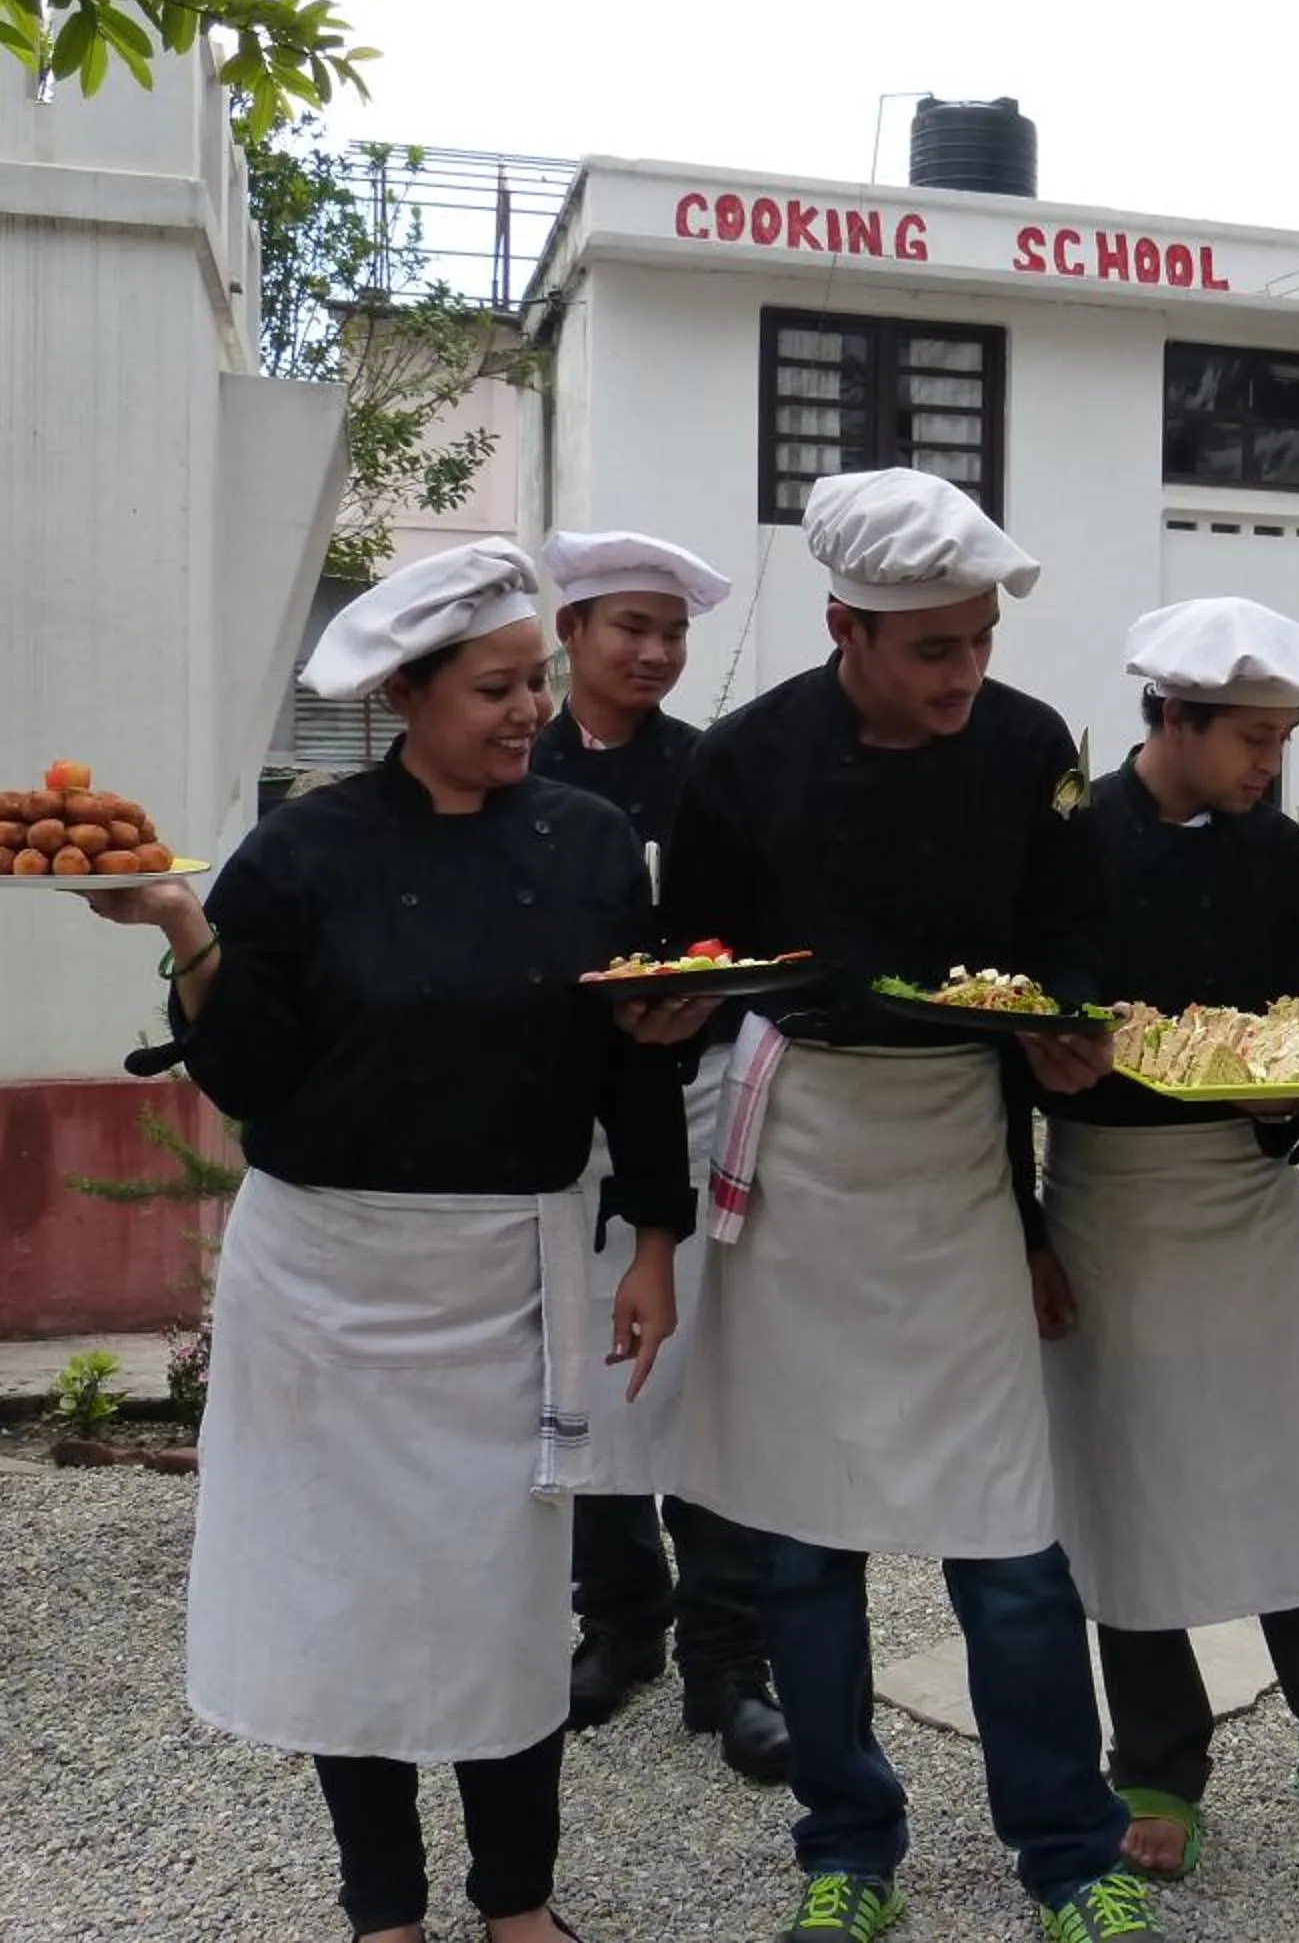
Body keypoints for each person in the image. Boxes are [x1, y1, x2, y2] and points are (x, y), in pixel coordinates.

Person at [92, 538, 710, 1943]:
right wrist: (190, 927)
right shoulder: (304, 851)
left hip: (511, 1269)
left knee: (503, 1603)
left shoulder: (590, 842)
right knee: (348, 1601)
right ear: (405, 696)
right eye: (494, 687)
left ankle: (520, 1902)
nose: (526, 713)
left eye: (534, 684)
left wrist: (657, 1237)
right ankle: (384, 1909)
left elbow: (632, 1064)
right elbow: (248, 1071)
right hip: (325, 1278)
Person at [661, 468, 1160, 1943]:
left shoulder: (1026, 748)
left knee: (1010, 1545)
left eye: (979, 642)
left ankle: (1068, 1849)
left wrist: (1067, 1024)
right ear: (845, 627)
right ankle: (847, 1841)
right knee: (806, 1543)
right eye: (933, 647)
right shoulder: (743, 761)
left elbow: (1067, 926)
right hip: (802, 1133)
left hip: (953, 1143)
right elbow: (692, 959)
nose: (966, 674)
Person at [1034, 597, 1299, 1890]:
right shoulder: (1068, 841)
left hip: (1247, 1199)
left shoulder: (1274, 850)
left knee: (1298, 1474)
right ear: (1173, 715)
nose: (1271, 764)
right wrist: (1026, 1213)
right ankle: (1156, 1752)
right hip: (1111, 1197)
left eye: (1284, 739)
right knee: (1128, 1474)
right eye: (1254, 737)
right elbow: (1023, 1040)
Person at [533, 528, 789, 1785]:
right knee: (578, 1366)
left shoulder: (714, 771)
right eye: (629, 626)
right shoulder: (512, 765)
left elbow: (755, 934)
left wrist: (704, 1001)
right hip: (553, 1122)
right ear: (569, 633)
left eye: (672, 631)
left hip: (694, 1094)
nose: (653, 651)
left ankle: (729, 1657)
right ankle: (618, 1619)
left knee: (711, 1374)